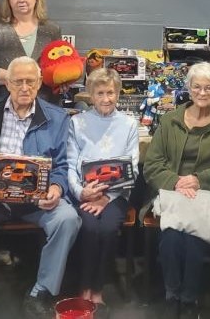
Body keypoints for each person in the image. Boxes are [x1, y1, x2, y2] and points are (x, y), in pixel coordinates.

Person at [0, 56, 80, 319]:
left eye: (30, 81)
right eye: (18, 81)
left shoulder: (57, 118)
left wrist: (56, 188)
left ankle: (42, 292)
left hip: (38, 203)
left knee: (68, 219)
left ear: (38, 85)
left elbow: (63, 163)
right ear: (7, 84)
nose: (24, 87)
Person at [141, 62, 210, 319]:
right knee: (172, 237)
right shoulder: (169, 120)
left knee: (193, 236)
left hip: (207, 196)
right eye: (197, 86)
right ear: (189, 88)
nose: (202, 92)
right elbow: (152, 164)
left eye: (209, 87)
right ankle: (173, 295)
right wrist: (175, 181)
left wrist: (199, 179)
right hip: (172, 192)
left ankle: (188, 298)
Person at [67, 68, 140, 315]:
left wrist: (107, 198)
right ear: (90, 94)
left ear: (118, 93)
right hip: (86, 193)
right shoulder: (77, 122)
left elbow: (133, 168)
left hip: (115, 196)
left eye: (111, 92)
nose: (106, 98)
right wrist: (82, 192)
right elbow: (70, 164)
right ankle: (84, 287)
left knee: (108, 229)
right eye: (100, 93)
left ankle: (98, 288)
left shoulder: (129, 124)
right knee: (88, 227)